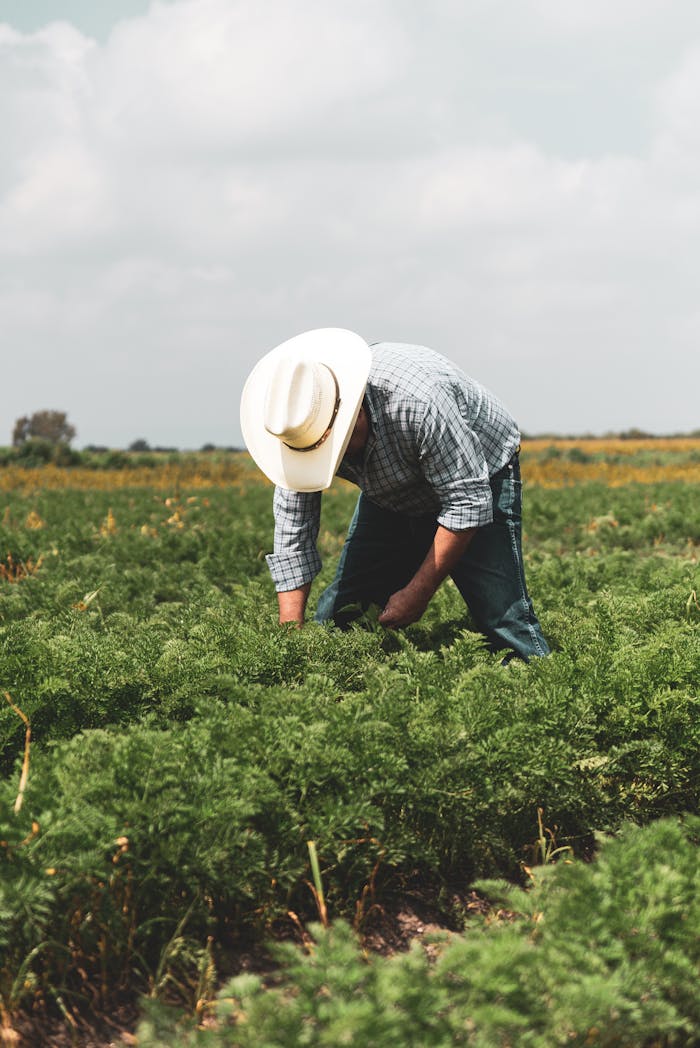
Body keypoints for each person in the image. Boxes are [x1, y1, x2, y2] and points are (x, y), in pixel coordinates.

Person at [240, 328, 549, 661]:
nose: (336, 456)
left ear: (352, 411)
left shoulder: (418, 403)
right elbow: (293, 537)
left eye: (336, 445)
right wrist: (290, 641)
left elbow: (467, 502)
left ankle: (536, 674)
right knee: (342, 617)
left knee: (501, 616)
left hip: (480, 473)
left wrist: (418, 592)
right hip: (390, 492)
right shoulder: (295, 427)